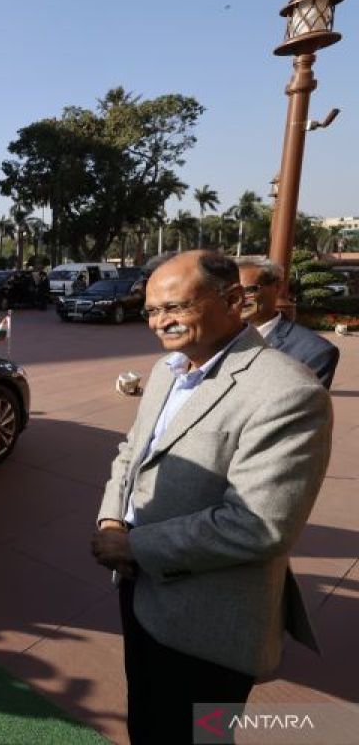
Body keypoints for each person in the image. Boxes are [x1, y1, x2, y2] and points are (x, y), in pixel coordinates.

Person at [92, 251, 331, 745]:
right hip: (139, 589)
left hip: (210, 620)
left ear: (234, 301)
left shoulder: (288, 392)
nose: (162, 322)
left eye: (176, 306)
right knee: (147, 719)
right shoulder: (166, 369)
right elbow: (131, 452)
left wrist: (134, 546)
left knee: (199, 737)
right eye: (153, 311)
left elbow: (258, 525)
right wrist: (111, 522)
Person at [235, 255, 339, 388]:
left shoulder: (313, 351)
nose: (239, 299)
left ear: (277, 287)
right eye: (231, 292)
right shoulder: (211, 337)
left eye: (248, 290)